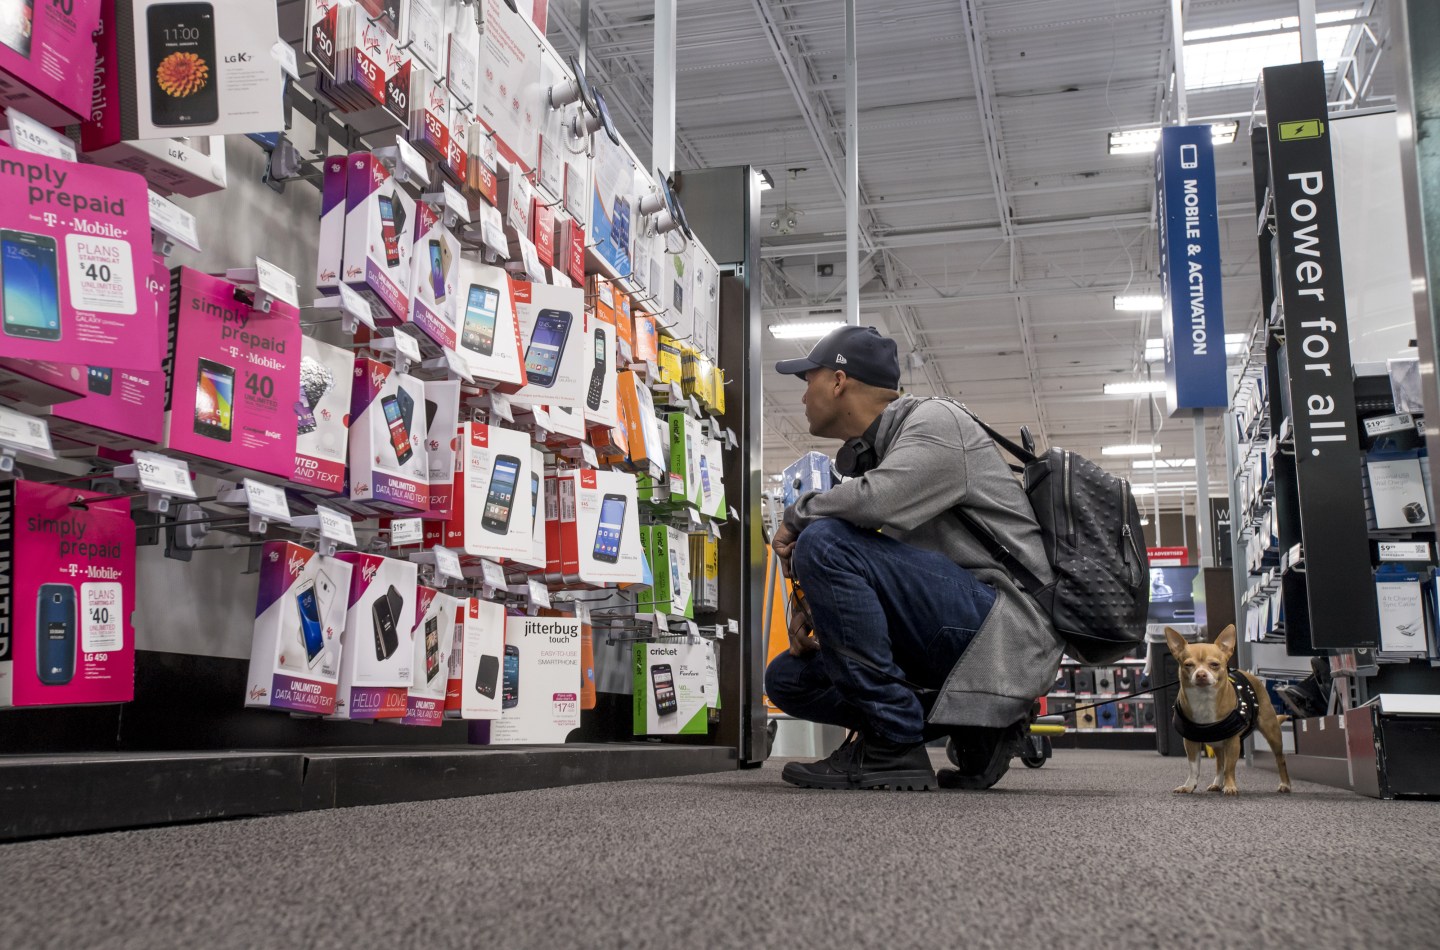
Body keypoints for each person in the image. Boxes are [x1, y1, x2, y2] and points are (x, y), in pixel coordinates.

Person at [767, 325, 1062, 790]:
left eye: (809, 379)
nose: (804, 395)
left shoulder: (936, 422)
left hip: (1009, 628)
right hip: (962, 625)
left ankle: (891, 742)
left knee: (824, 539)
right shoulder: (888, 450)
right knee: (788, 678)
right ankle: (978, 724)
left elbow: (874, 502)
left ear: (839, 381)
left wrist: (797, 515)